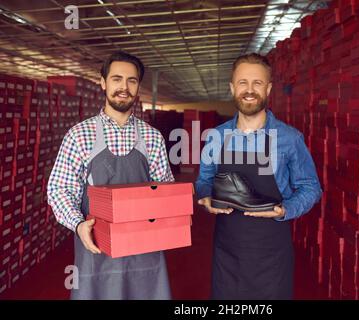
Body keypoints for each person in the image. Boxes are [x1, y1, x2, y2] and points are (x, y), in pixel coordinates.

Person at [47, 51, 174, 300]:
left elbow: (165, 191)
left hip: (145, 253)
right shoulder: (79, 135)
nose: (123, 87)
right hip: (97, 250)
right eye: (116, 79)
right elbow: (59, 189)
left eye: (132, 81)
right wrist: (78, 224)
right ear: (103, 83)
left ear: (138, 87)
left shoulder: (152, 137)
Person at [195, 53, 322, 300]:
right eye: (243, 83)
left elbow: (310, 187)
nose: (249, 90)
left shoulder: (290, 138)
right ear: (232, 88)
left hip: (271, 252)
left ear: (269, 88)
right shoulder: (216, 137)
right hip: (228, 251)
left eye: (258, 83)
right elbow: (204, 180)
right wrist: (207, 197)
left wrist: (285, 209)